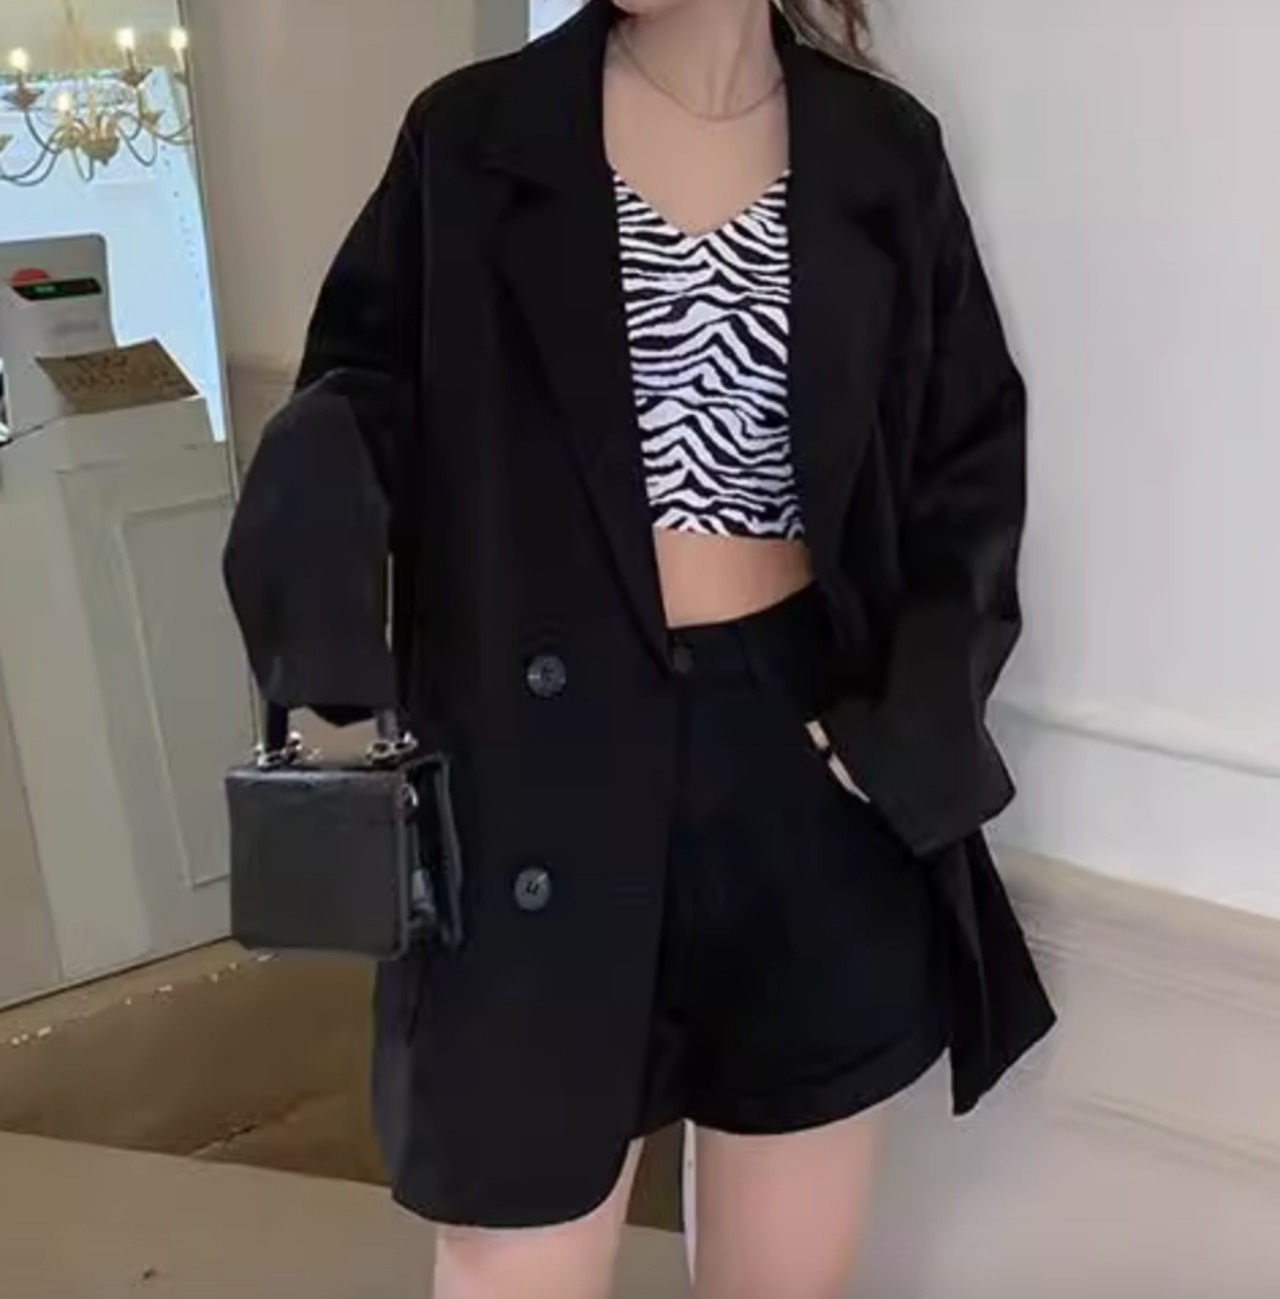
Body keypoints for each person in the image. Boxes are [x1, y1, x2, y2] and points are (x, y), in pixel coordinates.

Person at [224, 1, 1055, 1296]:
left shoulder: (880, 150)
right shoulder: (475, 135)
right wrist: (314, 588)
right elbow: (357, 394)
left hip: (800, 771)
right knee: (515, 1258)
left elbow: (968, 468)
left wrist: (898, 731)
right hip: (534, 776)